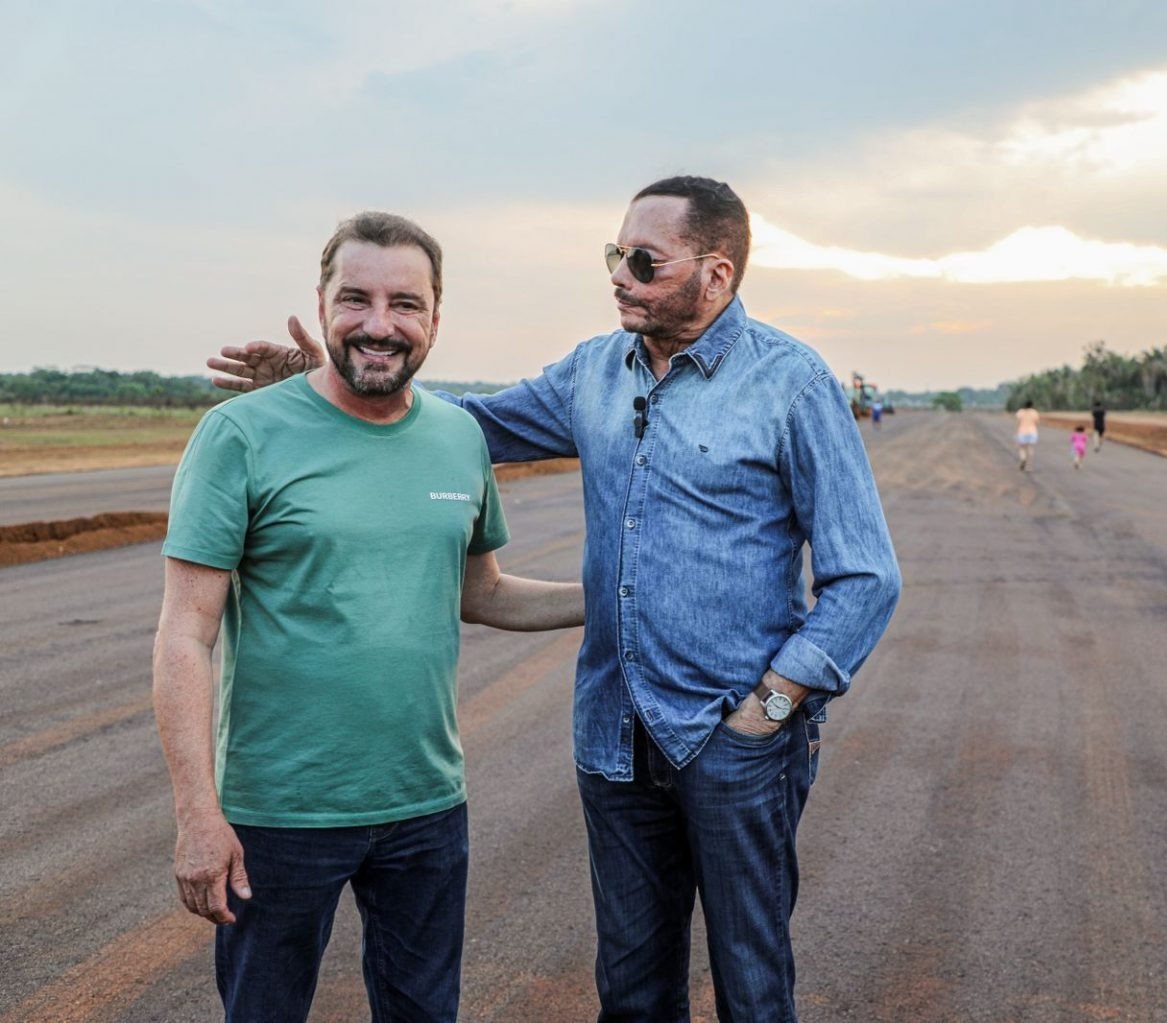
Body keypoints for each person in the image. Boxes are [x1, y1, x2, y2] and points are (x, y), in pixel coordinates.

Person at [206, 176, 902, 1021]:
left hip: (735, 742)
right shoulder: (592, 373)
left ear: (717, 276)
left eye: (644, 262)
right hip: (615, 737)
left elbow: (866, 575)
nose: (619, 276)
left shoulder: (791, 384)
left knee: (752, 983)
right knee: (633, 988)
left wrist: (771, 707)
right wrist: (334, 379)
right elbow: (460, 428)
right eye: (615, 254)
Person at [155, 211, 585, 1023]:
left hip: (425, 804)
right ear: (321, 304)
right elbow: (186, 631)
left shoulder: (460, 437)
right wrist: (197, 815)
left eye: (405, 304)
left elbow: (480, 590)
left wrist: (615, 597)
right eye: (356, 298)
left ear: (435, 316)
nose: (379, 324)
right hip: (278, 815)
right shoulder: (239, 435)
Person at [1015, 399, 1040, 471]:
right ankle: (1029, 466)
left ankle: (1023, 459)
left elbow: (1018, 421)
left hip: (1022, 432)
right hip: (1032, 432)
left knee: (1022, 448)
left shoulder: (1020, 412)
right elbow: (1037, 422)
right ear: (1032, 405)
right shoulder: (1034, 412)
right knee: (1030, 448)